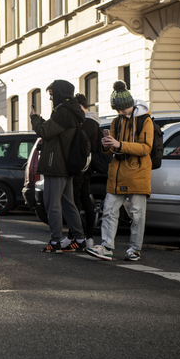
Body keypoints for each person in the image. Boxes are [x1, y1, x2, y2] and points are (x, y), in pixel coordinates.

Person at [85, 81, 153, 261]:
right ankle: (107, 247)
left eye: (121, 109)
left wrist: (119, 144)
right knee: (109, 210)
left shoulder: (145, 120)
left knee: (137, 214)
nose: (119, 112)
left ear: (129, 105)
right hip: (117, 174)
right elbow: (111, 150)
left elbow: (146, 148)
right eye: (117, 109)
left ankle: (134, 249)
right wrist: (107, 144)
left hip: (138, 173)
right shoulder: (116, 121)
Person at [30, 80, 86, 253]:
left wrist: (34, 118)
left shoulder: (63, 111)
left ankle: (55, 243)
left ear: (60, 93)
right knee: (68, 203)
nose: (51, 99)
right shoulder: (72, 110)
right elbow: (54, 130)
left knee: (52, 204)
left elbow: (45, 132)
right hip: (66, 163)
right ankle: (79, 238)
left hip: (57, 164)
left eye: (52, 95)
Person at [66, 93, 101, 249]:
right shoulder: (94, 122)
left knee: (75, 202)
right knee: (85, 202)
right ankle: (87, 238)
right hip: (88, 167)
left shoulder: (87, 122)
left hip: (81, 168)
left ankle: (76, 237)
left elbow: (81, 146)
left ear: (80, 106)